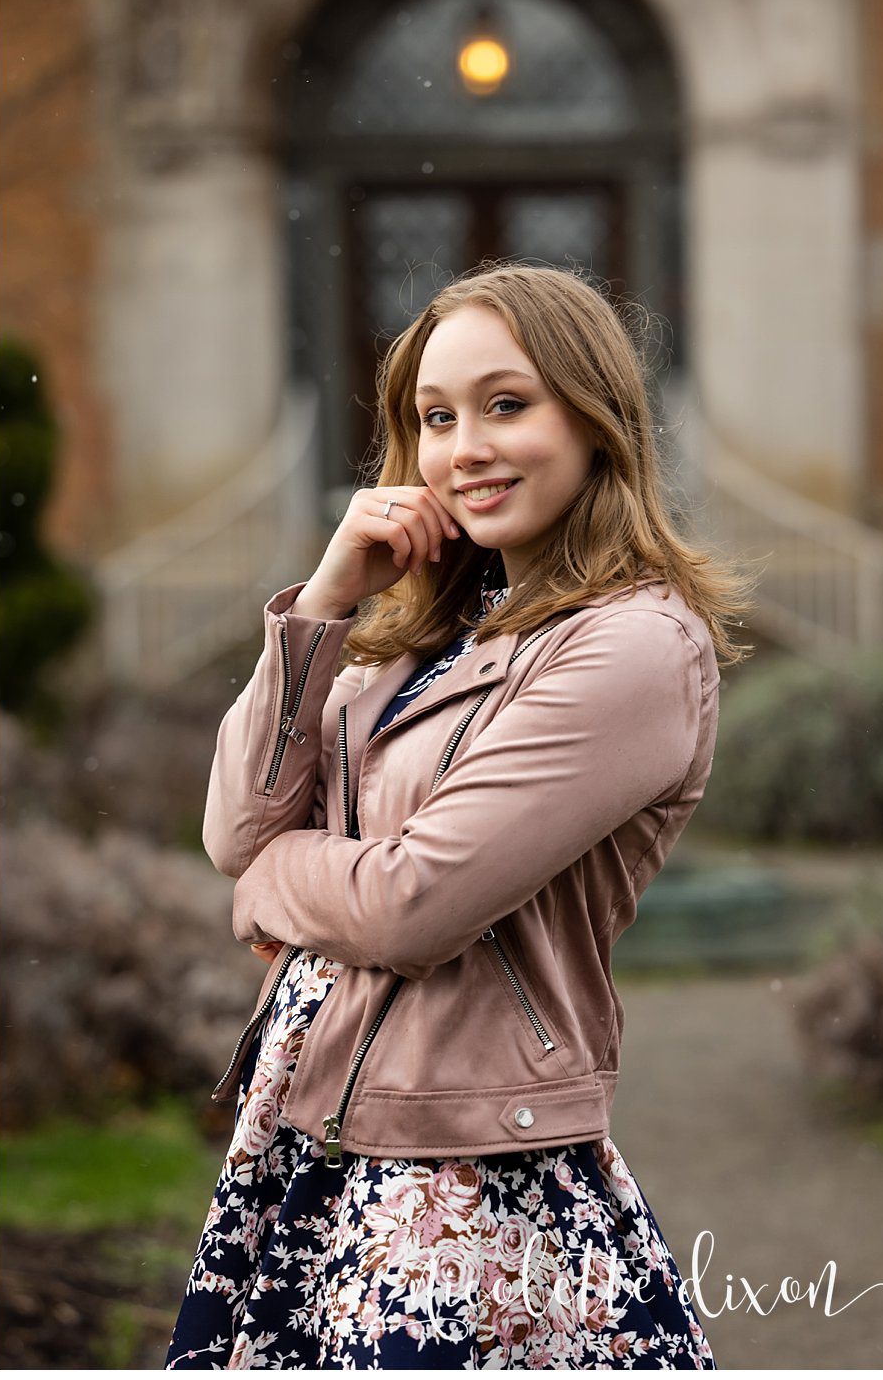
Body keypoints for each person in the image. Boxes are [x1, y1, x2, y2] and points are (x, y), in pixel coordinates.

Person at [167, 262, 752, 1368]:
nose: (464, 447)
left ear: (593, 419)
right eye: (436, 419)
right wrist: (326, 604)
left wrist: (268, 888)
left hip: (465, 1175)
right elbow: (235, 825)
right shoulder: (432, 633)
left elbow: (407, 905)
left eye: (505, 405)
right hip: (312, 1134)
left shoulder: (631, 646)